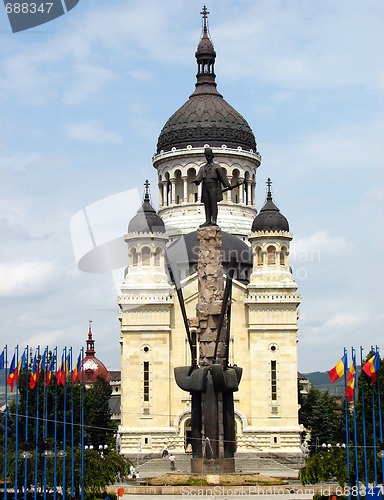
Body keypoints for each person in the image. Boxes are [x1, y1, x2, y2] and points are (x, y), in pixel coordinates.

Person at [192, 147, 234, 227]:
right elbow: (199, 177)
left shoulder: (216, 167)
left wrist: (228, 185)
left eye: (209, 155)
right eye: (206, 155)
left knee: (213, 203)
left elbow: (223, 178)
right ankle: (208, 220)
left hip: (213, 186)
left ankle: (214, 220)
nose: (207, 157)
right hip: (205, 186)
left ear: (212, 156)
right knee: (207, 204)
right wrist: (196, 181)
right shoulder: (202, 168)